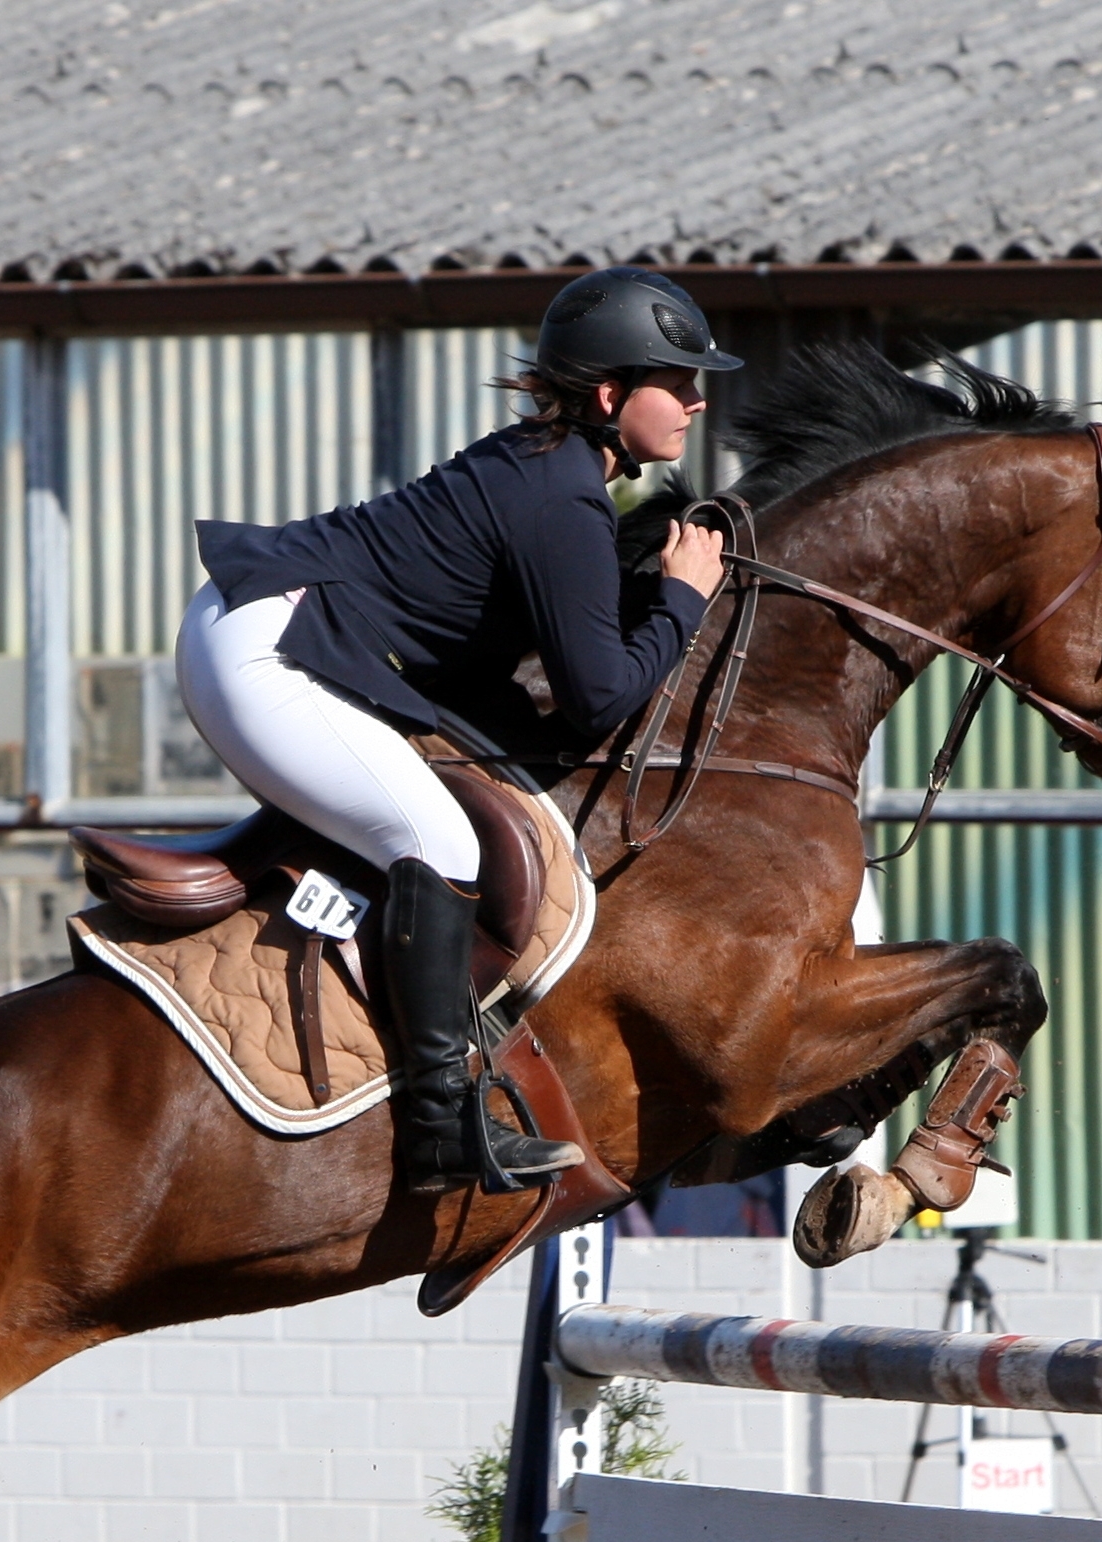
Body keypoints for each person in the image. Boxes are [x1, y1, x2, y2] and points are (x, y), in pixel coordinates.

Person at [176, 266, 737, 1193]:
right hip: (267, 650)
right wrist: (681, 600)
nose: (696, 400)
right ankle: (439, 1129)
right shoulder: (562, 496)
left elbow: (500, 677)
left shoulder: (550, 468)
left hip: (266, 626)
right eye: (676, 383)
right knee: (439, 843)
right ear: (609, 396)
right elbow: (600, 699)